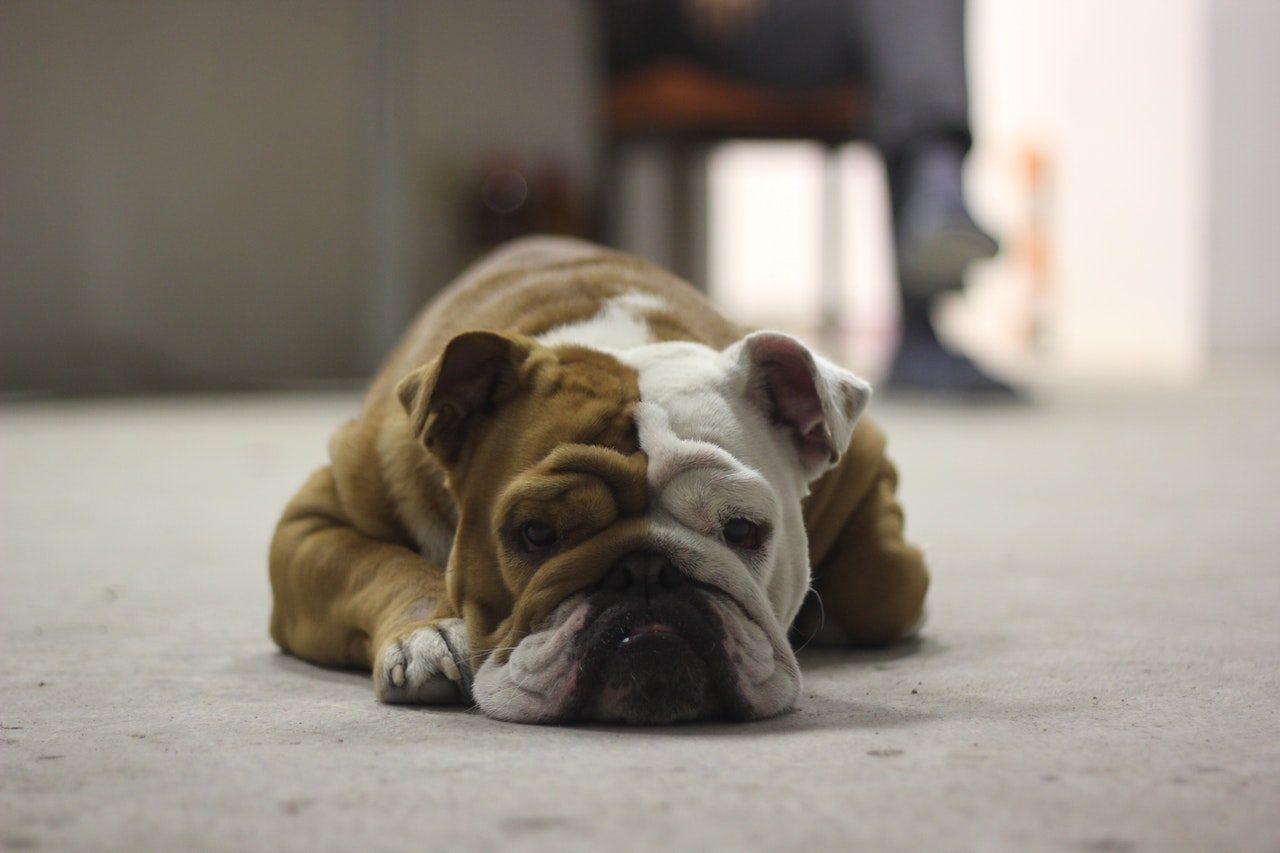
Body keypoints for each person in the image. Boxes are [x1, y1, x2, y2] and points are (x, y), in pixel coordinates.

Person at [599, 0, 1016, 396]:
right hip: (678, 24)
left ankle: (936, 190)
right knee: (901, 63)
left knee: (900, 49)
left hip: (783, 17)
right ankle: (938, 190)